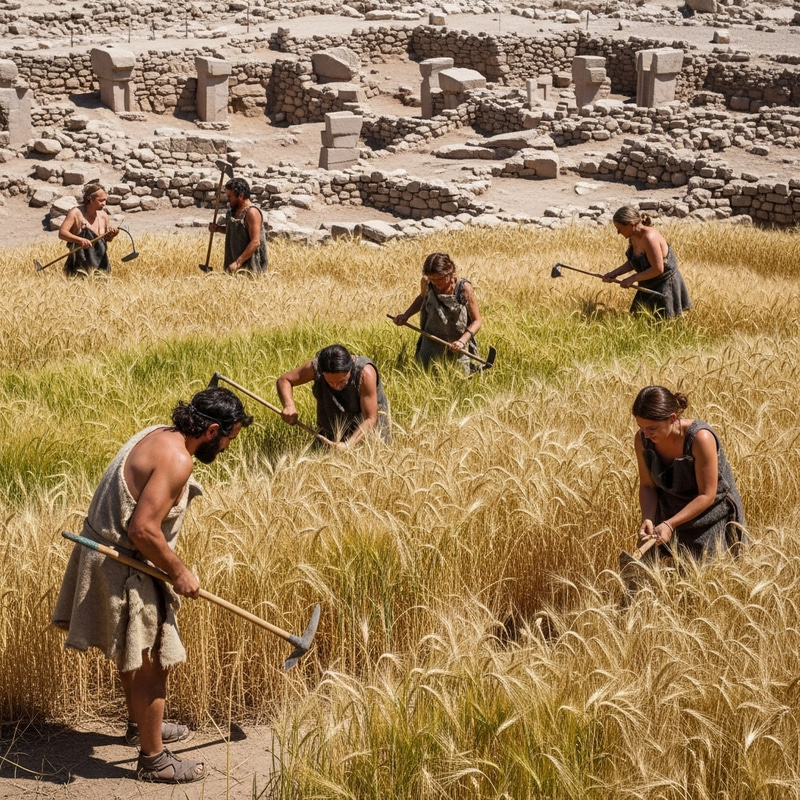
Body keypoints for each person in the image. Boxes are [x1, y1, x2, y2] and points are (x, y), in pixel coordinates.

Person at [52, 387, 253, 784]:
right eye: (229, 438)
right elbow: (142, 528)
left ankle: (143, 727)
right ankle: (154, 758)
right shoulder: (178, 459)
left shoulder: (160, 433)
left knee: (135, 652)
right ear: (212, 430)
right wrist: (178, 571)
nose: (228, 447)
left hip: (113, 556)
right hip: (121, 563)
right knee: (154, 661)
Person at [632, 385, 747, 561]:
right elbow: (648, 485)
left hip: (709, 518)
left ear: (672, 418)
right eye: (641, 427)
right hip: (667, 518)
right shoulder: (642, 439)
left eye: (652, 428)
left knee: (709, 576)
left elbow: (707, 495)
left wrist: (670, 524)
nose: (645, 434)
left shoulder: (700, 438)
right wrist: (647, 518)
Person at [276, 344, 390, 450]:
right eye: (330, 382)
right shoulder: (316, 367)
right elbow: (284, 380)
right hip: (332, 424)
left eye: (341, 381)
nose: (336, 386)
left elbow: (370, 418)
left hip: (368, 429)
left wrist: (349, 444)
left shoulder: (365, 373)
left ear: (349, 370)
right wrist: (289, 406)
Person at [392, 252, 483, 374]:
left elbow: (477, 321)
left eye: (439, 279)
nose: (435, 283)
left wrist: (462, 341)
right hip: (431, 341)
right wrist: (406, 315)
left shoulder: (463, 288)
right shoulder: (426, 282)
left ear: (450, 273)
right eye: (432, 279)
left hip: (456, 344)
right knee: (426, 374)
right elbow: (422, 298)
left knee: (458, 377)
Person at [602, 206, 692, 318]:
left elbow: (658, 269)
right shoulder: (634, 236)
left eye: (620, 228)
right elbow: (634, 262)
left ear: (631, 225)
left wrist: (632, 278)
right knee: (639, 323)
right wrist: (614, 274)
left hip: (665, 287)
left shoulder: (650, 238)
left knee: (662, 326)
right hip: (647, 285)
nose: (618, 232)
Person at [207, 177, 268, 274]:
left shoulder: (252, 213)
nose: (228, 200)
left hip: (251, 267)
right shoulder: (233, 211)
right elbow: (235, 231)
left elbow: (255, 242)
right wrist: (218, 229)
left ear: (240, 196)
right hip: (233, 263)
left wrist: (238, 262)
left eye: (230, 197)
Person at [58, 184, 119, 276]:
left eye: (105, 200)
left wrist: (112, 234)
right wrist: (80, 240)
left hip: (101, 266)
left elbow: (106, 240)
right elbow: (62, 233)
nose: (104, 203)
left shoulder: (103, 216)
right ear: (90, 198)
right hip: (79, 266)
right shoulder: (76, 213)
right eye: (101, 200)